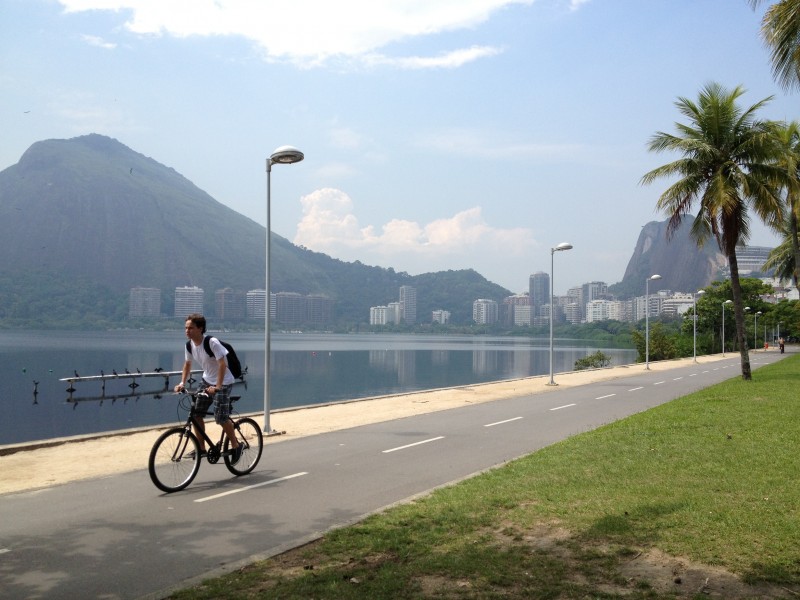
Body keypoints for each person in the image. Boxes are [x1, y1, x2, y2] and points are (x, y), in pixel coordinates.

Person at [174, 313, 241, 463]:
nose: (187, 331)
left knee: (220, 417)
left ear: (200, 328)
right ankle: (201, 448)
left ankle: (236, 445)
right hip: (206, 380)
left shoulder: (212, 342)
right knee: (197, 414)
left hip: (223, 381)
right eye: (186, 328)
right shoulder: (189, 345)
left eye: (190, 328)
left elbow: (222, 364)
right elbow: (187, 364)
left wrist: (217, 386)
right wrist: (182, 384)